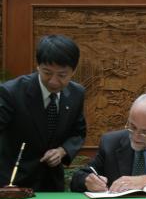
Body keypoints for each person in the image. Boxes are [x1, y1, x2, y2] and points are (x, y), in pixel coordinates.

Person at [0, 35, 86, 191]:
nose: (53, 81)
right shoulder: (12, 92)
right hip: (13, 183)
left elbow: (78, 132)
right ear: (38, 66)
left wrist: (62, 151)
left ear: (73, 71)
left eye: (62, 75)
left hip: (52, 184)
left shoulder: (77, 94)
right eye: (47, 73)